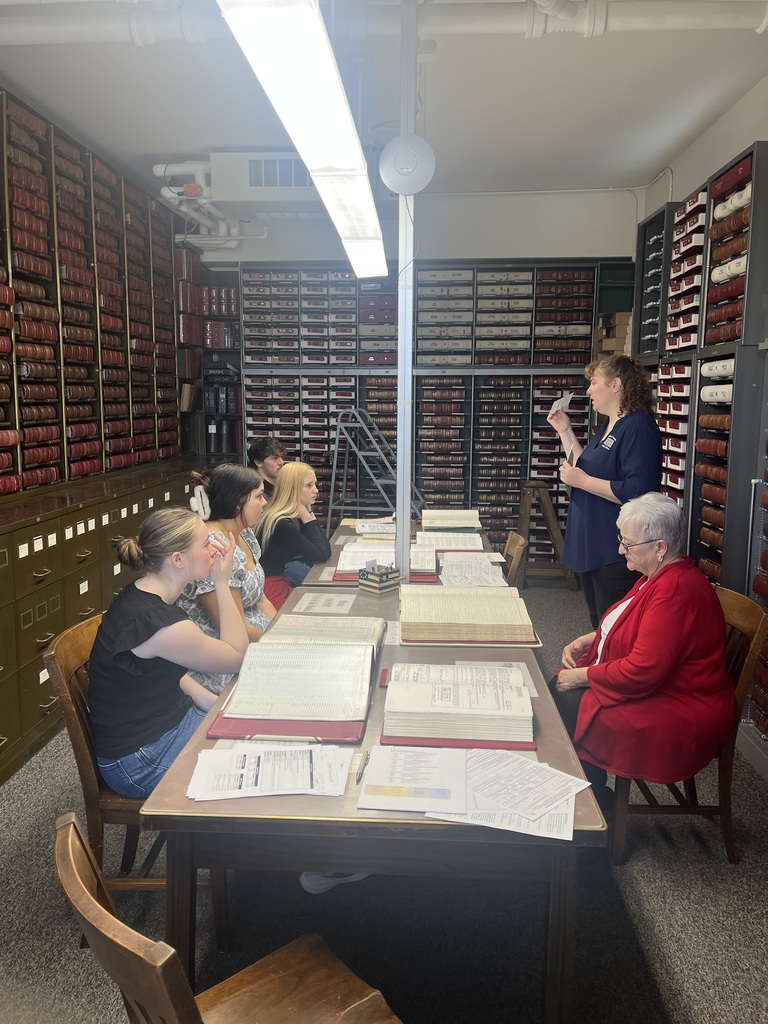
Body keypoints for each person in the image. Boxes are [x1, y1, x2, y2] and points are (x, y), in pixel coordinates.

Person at [551, 492, 733, 816]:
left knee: (564, 701)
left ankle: (592, 804)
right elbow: (641, 626)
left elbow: (643, 670)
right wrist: (592, 637)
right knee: (560, 695)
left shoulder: (673, 592)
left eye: (629, 544)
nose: (621, 549)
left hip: (681, 705)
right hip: (664, 687)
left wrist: (580, 676)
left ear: (659, 547)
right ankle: (583, 795)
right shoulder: (662, 574)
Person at [88, 507, 249, 799]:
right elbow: (238, 656)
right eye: (205, 543)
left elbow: (159, 671)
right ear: (177, 560)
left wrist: (209, 702)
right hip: (138, 760)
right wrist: (222, 583)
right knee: (246, 765)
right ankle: (203, 842)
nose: (214, 548)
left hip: (165, 723)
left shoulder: (143, 592)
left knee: (249, 733)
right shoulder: (162, 625)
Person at [547, 353, 662, 628]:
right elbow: (586, 465)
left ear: (615, 385)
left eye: (594, 382)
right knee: (598, 625)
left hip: (616, 549)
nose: (588, 390)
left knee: (614, 628)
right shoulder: (609, 425)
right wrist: (565, 432)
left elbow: (638, 490)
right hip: (592, 542)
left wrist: (582, 481)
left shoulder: (639, 427)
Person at [176, 463, 277, 694]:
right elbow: (228, 626)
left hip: (257, 645)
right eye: (259, 497)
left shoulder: (245, 534)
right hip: (224, 666)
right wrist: (275, 644)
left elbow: (260, 598)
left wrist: (283, 630)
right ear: (237, 501)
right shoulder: (216, 546)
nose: (265, 503)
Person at [257, 461, 331, 610]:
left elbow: (324, 550)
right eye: (309, 485)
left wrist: (308, 512)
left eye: (315, 484)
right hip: (270, 590)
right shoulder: (280, 523)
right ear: (293, 489)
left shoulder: (284, 516)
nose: (316, 490)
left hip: (279, 582)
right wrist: (305, 514)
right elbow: (322, 554)